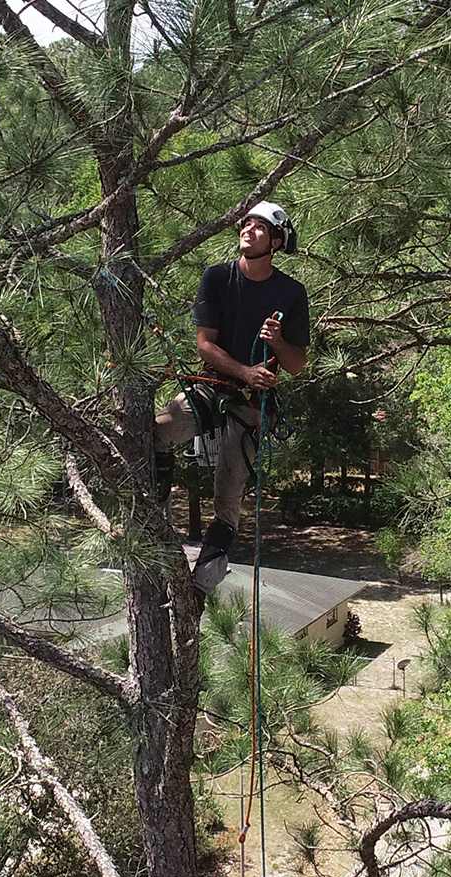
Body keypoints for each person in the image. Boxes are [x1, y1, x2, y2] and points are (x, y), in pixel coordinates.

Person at [154, 201, 310, 594]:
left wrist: (277, 341)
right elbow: (205, 345)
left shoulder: (291, 293)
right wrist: (244, 371)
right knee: (158, 431)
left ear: (276, 241)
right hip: (214, 384)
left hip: (251, 403)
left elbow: (296, 365)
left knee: (229, 495)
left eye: (260, 227)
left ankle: (203, 582)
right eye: (247, 224)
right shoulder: (217, 278)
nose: (249, 229)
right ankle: (153, 517)